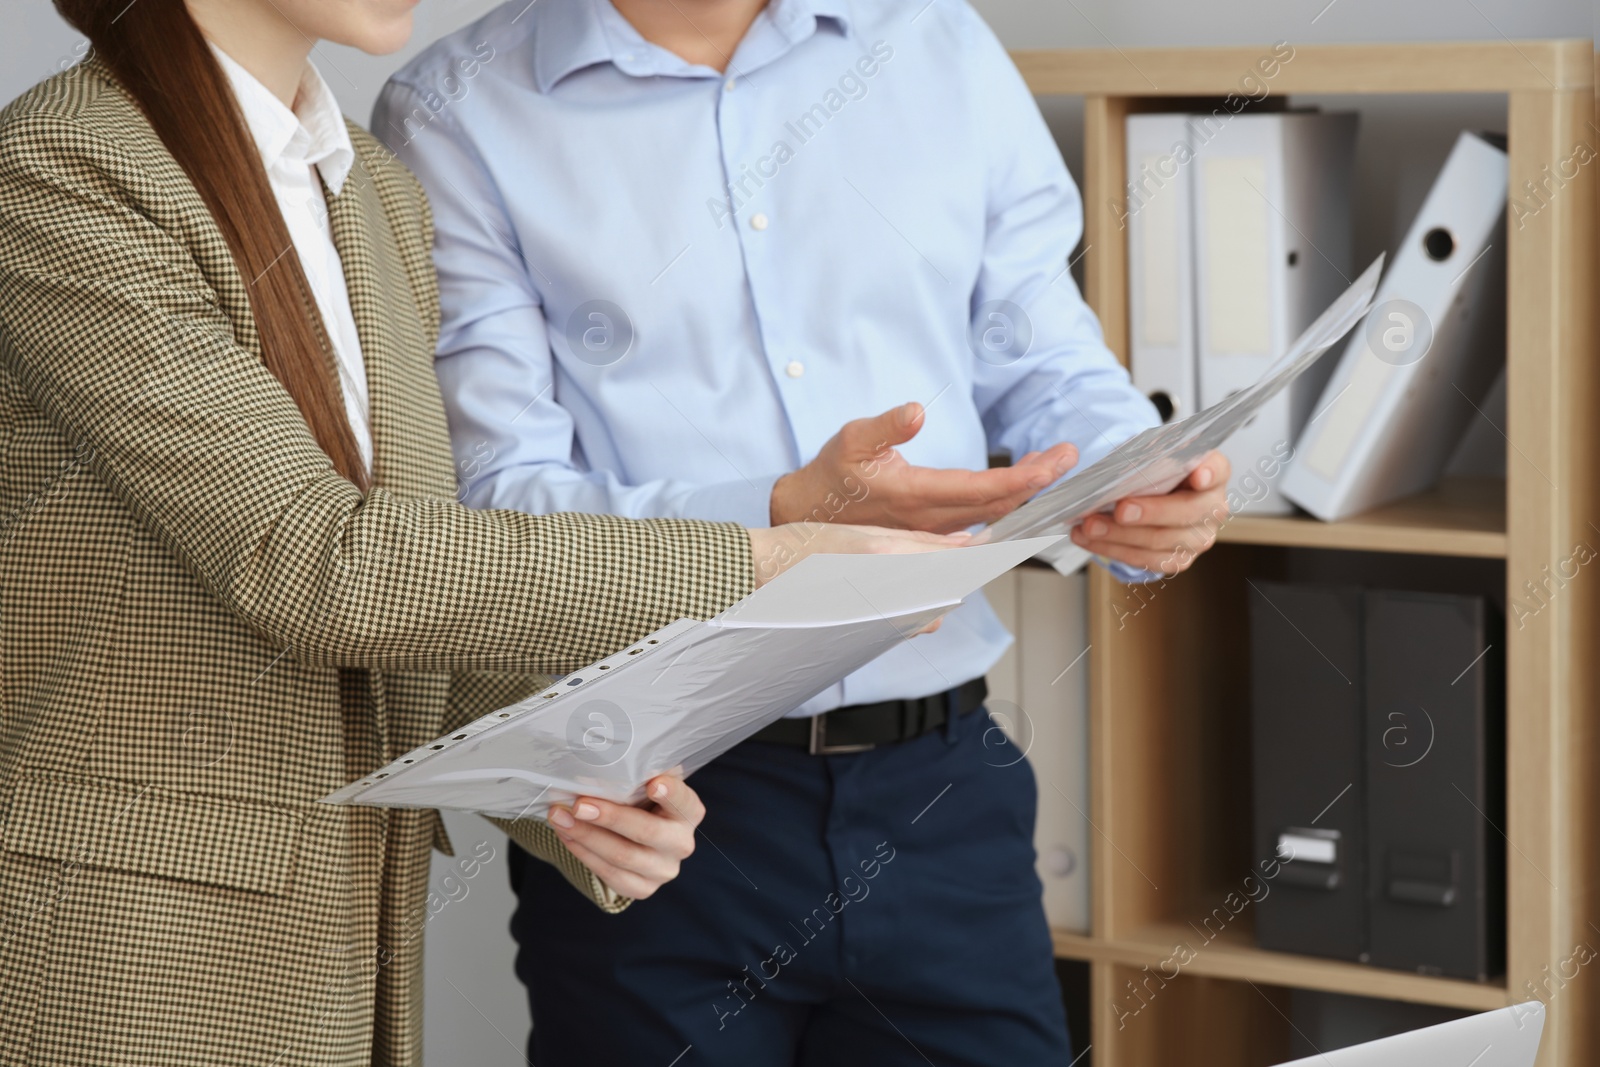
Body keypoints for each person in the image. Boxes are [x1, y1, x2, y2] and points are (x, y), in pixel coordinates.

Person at [0, 1, 955, 1064]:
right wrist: (756, 562)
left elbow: (418, 577)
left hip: (343, 936)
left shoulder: (369, 190)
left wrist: (569, 782)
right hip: (131, 950)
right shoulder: (59, 170)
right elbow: (321, 565)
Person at [379, 0, 1231, 1063]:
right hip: (656, 802)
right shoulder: (455, 107)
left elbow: (1040, 352)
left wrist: (1128, 475)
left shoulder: (936, 42)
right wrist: (782, 514)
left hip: (945, 790)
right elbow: (501, 505)